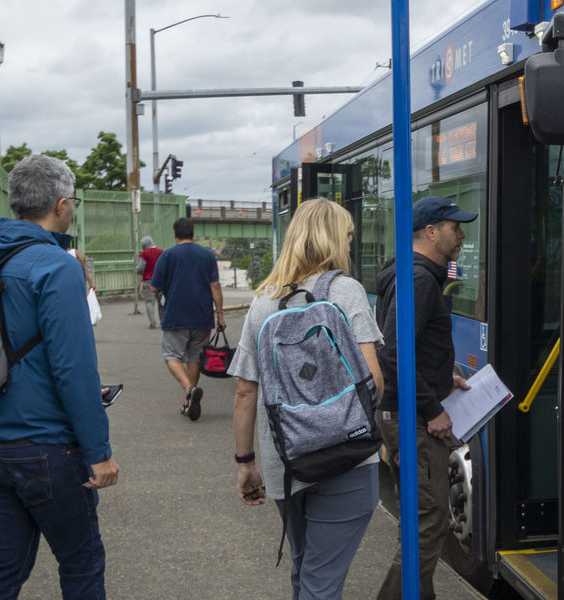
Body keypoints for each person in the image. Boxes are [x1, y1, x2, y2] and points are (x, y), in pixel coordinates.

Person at [229, 198, 385, 600]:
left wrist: (246, 463)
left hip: (287, 461)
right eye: (348, 236)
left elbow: (245, 392)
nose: (350, 243)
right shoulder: (345, 291)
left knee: (305, 571)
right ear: (334, 239)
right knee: (322, 583)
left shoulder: (263, 299)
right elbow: (373, 381)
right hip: (346, 460)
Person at [0, 154, 119, 599]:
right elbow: (72, 369)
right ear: (62, 205)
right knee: (81, 564)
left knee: (0, 574)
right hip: (47, 447)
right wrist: (99, 452)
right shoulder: (56, 266)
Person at [374, 195, 476, 600]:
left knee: (421, 515)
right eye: (455, 227)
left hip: (404, 409)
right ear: (431, 232)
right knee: (431, 517)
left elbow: (408, 349)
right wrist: (432, 408)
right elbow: (395, 352)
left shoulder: (414, 274)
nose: (461, 234)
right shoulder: (418, 279)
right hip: (411, 417)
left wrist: (440, 378)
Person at [150, 217, 225, 421]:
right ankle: (188, 401)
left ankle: (189, 389)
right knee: (195, 358)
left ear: (175, 234)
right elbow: (215, 286)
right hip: (202, 315)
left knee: (171, 356)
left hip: (176, 314)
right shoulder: (207, 255)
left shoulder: (168, 255)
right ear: (192, 233)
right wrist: (220, 314)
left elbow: (154, 286)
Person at [135, 235, 164, 329]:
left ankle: (153, 323)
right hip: (161, 281)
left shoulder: (144, 254)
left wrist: (136, 268)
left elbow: (140, 269)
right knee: (162, 302)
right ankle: (163, 322)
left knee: (149, 302)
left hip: (148, 281)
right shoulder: (162, 252)